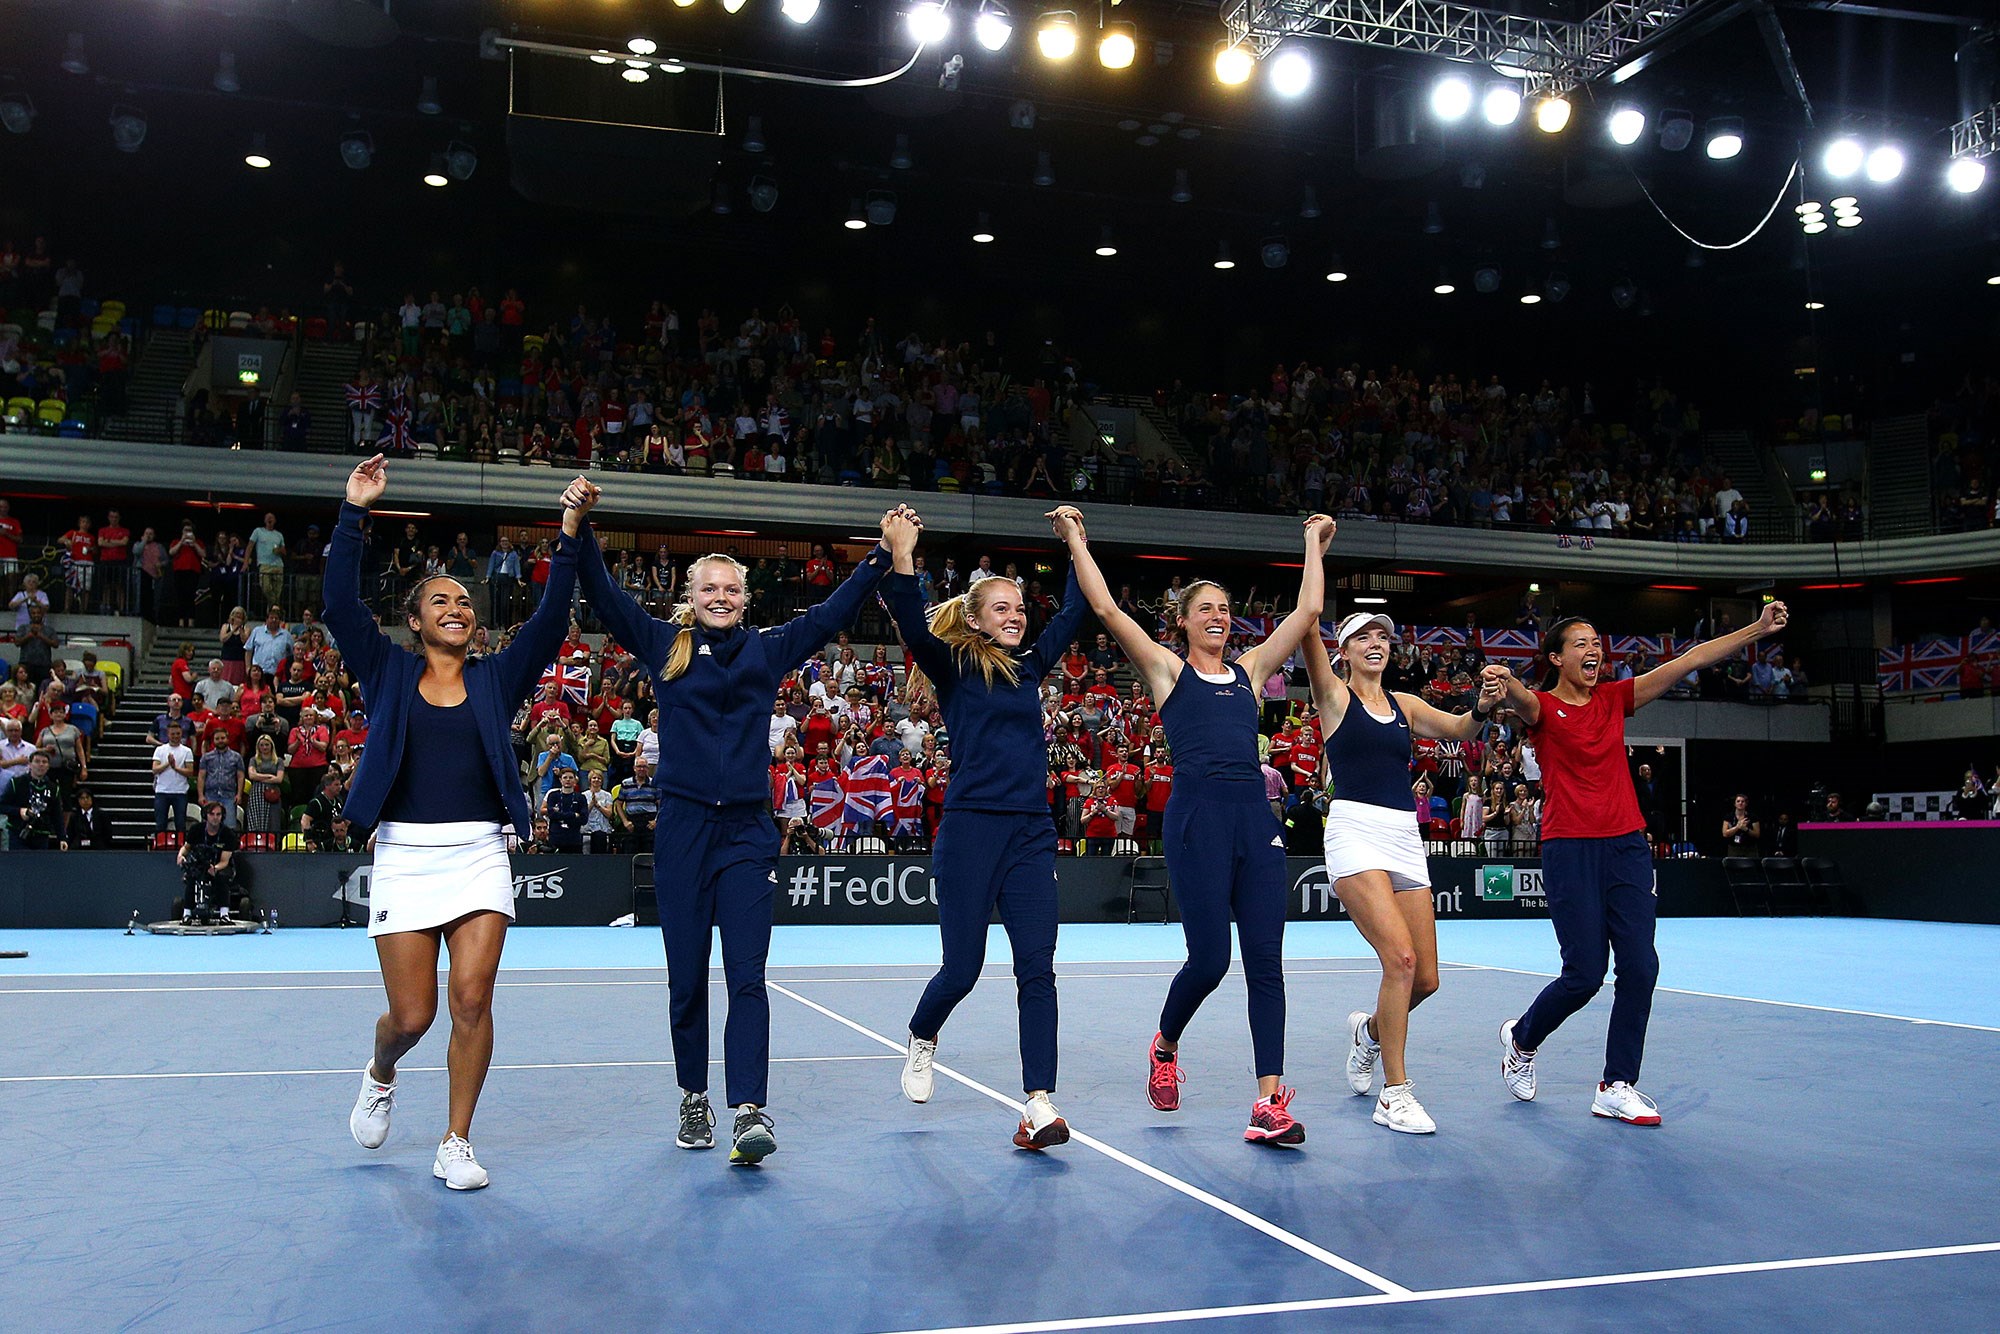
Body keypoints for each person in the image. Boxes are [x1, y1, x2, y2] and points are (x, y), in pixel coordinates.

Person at [571, 480, 910, 1166]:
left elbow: (830, 614)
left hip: (748, 834)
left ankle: (750, 1109)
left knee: (748, 974)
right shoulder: (663, 644)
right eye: (708, 588)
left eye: (731, 589)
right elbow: (604, 597)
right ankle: (694, 1094)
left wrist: (882, 555)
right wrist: (576, 526)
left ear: (745, 599)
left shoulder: (768, 648)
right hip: (684, 832)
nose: (720, 597)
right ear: (691, 598)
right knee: (687, 977)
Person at [327, 454, 587, 1192]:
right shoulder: (384, 671)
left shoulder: (497, 677)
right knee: (412, 1017)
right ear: (414, 621)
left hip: (479, 852)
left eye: (465, 601)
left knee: (472, 1000)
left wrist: (568, 532)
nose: (456, 606)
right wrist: (355, 511)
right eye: (439, 600)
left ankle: (456, 1141)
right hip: (406, 856)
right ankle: (381, 1073)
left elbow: (551, 617)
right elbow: (340, 606)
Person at [1057, 505, 1334, 1146]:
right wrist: (1075, 539)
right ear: (1183, 621)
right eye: (1205, 608)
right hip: (1196, 821)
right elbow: (1105, 610)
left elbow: (1307, 614)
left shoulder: (1252, 671)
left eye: (1225, 607)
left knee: (1266, 960)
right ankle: (1165, 1043)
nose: (1218, 616)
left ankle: (1268, 1102)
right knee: (1210, 959)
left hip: (1253, 822)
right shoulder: (1166, 670)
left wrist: (1311, 544)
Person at [1482, 600, 1790, 1127]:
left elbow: (1690, 660)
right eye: (1580, 643)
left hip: (1627, 845)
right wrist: (1500, 682)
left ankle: (1617, 1083)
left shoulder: (1614, 698)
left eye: (1597, 643)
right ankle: (1522, 1037)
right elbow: (1514, 696)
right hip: (1569, 849)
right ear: (1555, 658)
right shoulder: (1542, 708)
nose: (1594, 650)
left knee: (1642, 966)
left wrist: (1757, 629)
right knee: (1583, 975)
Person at [883, 516, 1085, 1151]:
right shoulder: (952, 665)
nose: (1016, 616)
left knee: (1038, 968)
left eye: (1020, 607)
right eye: (1002, 607)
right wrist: (905, 552)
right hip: (970, 831)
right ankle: (922, 1036)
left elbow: (1076, 612)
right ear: (974, 618)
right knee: (963, 968)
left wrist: (1076, 546)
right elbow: (910, 616)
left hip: (1030, 832)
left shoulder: (1031, 665)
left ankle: (1038, 1103)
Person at [1304, 611, 1503, 1135]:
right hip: (1353, 832)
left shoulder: (1405, 706)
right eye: (1363, 637)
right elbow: (1306, 625)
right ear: (1342, 651)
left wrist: (1481, 708)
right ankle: (1395, 1093)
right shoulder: (1332, 696)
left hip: (1403, 837)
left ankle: (1369, 1033)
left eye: (1383, 637)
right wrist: (1313, 552)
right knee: (1401, 959)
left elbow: (1462, 730)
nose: (1376, 644)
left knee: (1427, 979)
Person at [4, 751, 66, 849]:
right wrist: (19, 811)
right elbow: (2, 806)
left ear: (48, 766)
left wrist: (62, 838)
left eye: (44, 762)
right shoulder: (16, 783)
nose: (40, 765)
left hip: (42, 835)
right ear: (30, 764)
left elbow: (57, 815)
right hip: (18, 834)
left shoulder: (53, 788)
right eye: (37, 761)